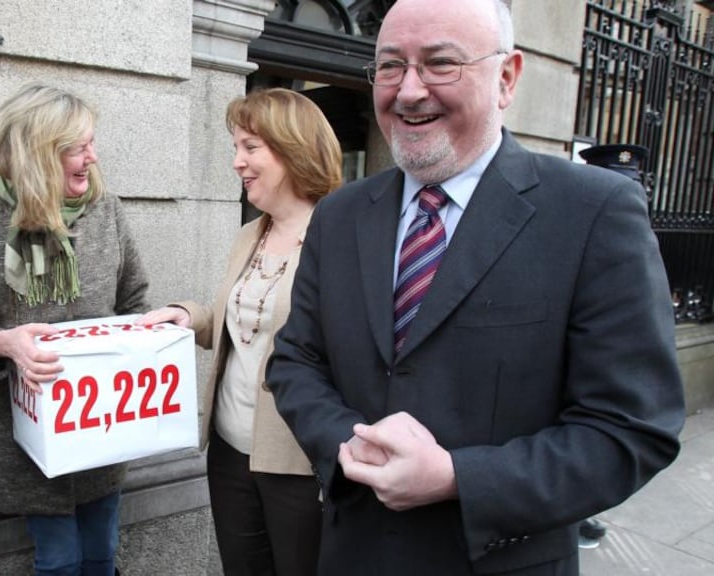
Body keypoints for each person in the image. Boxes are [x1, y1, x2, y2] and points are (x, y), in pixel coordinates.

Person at [265, 1, 686, 575]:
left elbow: (631, 429)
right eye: (390, 66)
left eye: (440, 63)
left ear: (506, 77)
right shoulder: (340, 215)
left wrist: (458, 478)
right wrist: (346, 444)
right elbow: (295, 360)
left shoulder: (591, 213)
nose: (409, 90)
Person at [0, 83, 149, 576]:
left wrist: (144, 340)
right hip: (27, 433)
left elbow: (135, 298)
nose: (92, 158)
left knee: (102, 550)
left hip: (102, 423)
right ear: (37, 151)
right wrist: (2, 343)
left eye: (91, 143)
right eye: (77, 147)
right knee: (58, 561)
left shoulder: (106, 209)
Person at [138, 87, 342, 575]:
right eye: (235, 148)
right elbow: (242, 321)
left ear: (292, 149)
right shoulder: (250, 233)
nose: (237, 162)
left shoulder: (340, 238)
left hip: (297, 459)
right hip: (228, 452)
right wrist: (191, 317)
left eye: (250, 147)